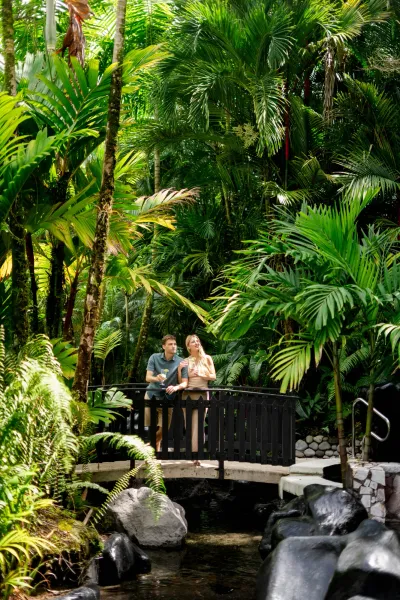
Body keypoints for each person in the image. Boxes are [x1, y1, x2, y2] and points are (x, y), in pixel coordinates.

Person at [145, 334, 188, 451]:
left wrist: (176, 387)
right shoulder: (154, 357)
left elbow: (185, 383)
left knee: (164, 428)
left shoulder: (181, 362)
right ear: (163, 346)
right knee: (151, 426)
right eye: (170, 344)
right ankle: (155, 455)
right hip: (151, 395)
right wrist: (156, 378)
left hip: (167, 399)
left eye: (175, 344)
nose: (173, 346)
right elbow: (148, 378)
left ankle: (147, 446)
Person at [178, 334, 216, 466]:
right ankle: (191, 453)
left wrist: (201, 374)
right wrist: (180, 370)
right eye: (193, 342)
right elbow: (181, 381)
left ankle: (197, 455)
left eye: (197, 341)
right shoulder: (185, 361)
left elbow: (213, 376)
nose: (196, 343)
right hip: (188, 395)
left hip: (202, 395)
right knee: (189, 425)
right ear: (188, 346)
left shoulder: (207, 358)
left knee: (199, 425)